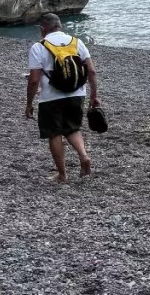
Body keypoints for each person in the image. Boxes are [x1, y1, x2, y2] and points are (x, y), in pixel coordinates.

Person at [25, 13, 100, 182]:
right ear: (60, 26)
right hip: (77, 93)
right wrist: (94, 95)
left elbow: (34, 79)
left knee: (54, 133)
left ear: (42, 29)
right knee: (72, 128)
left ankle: (62, 174)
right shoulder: (77, 42)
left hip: (50, 97)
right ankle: (83, 156)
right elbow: (92, 71)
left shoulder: (39, 47)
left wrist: (29, 103)